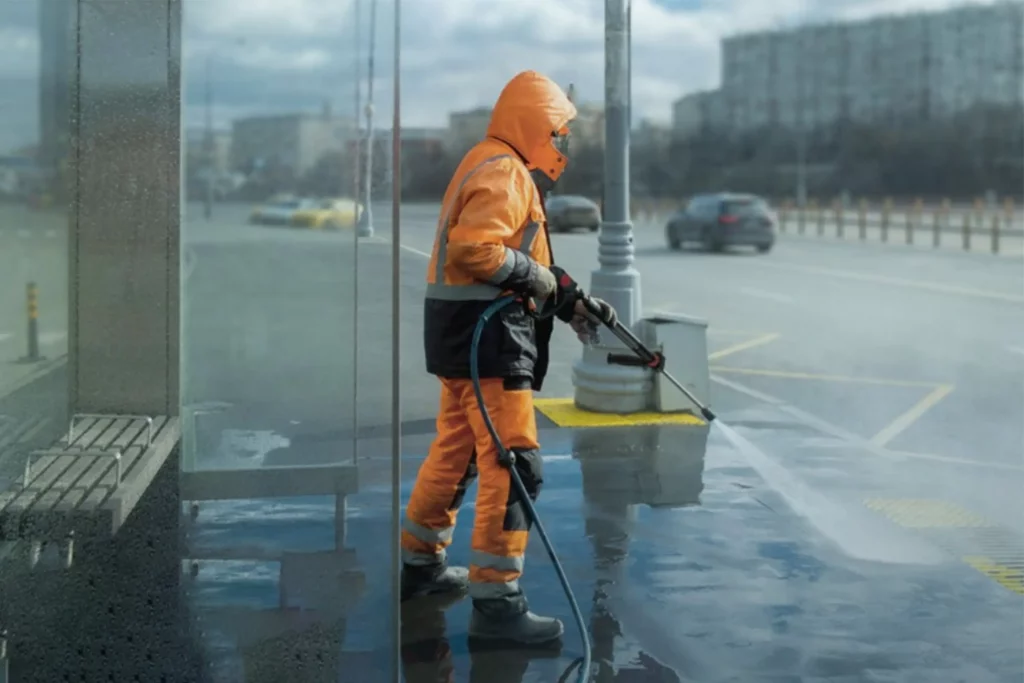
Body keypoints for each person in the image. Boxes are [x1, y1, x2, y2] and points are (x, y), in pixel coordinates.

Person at [399, 70, 617, 645]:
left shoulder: (490, 159)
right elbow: (479, 250)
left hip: (462, 336)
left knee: (457, 450)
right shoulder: (504, 169)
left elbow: (526, 259)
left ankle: (420, 566)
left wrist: (570, 300)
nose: (563, 142)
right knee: (514, 464)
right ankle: (497, 603)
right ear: (534, 123)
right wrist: (542, 279)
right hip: (488, 342)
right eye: (559, 130)